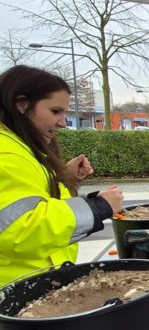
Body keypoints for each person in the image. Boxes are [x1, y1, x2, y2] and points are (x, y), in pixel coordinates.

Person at [0, 65, 125, 288]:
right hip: (13, 291)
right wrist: (98, 207)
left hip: (30, 283)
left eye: (64, 113)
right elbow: (19, 229)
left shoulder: (20, 147)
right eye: (55, 111)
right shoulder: (6, 153)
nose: (63, 122)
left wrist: (65, 178)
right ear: (22, 105)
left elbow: (32, 198)